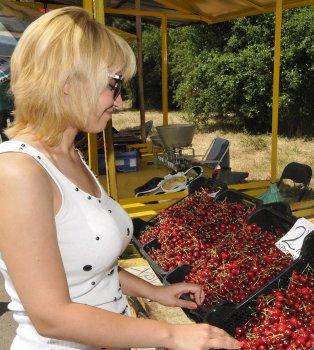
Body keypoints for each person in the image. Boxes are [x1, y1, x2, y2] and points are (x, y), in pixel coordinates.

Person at [0, 7, 239, 349]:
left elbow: (85, 269)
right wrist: (172, 334)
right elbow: (50, 315)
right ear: (68, 82)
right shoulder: (18, 171)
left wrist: (156, 293)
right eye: (114, 86)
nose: (121, 102)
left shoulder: (71, 156)